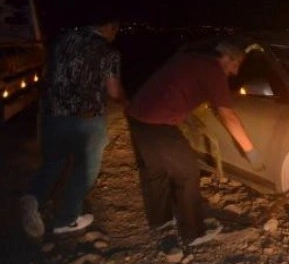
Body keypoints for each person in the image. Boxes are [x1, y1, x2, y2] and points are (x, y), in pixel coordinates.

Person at [125, 38, 263, 247]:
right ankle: (193, 233)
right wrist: (251, 152)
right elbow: (228, 115)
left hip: (137, 117)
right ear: (225, 57)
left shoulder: (192, 58)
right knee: (188, 172)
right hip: (157, 123)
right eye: (235, 65)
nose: (235, 72)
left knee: (155, 171)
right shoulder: (212, 69)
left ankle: (160, 223)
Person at [19, 16, 127, 238]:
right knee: (86, 168)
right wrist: (126, 101)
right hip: (86, 119)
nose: (115, 34)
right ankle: (67, 219)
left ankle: (33, 197)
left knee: (53, 162)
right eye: (116, 29)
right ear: (108, 26)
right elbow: (114, 91)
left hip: (53, 115)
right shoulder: (107, 51)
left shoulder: (63, 41)